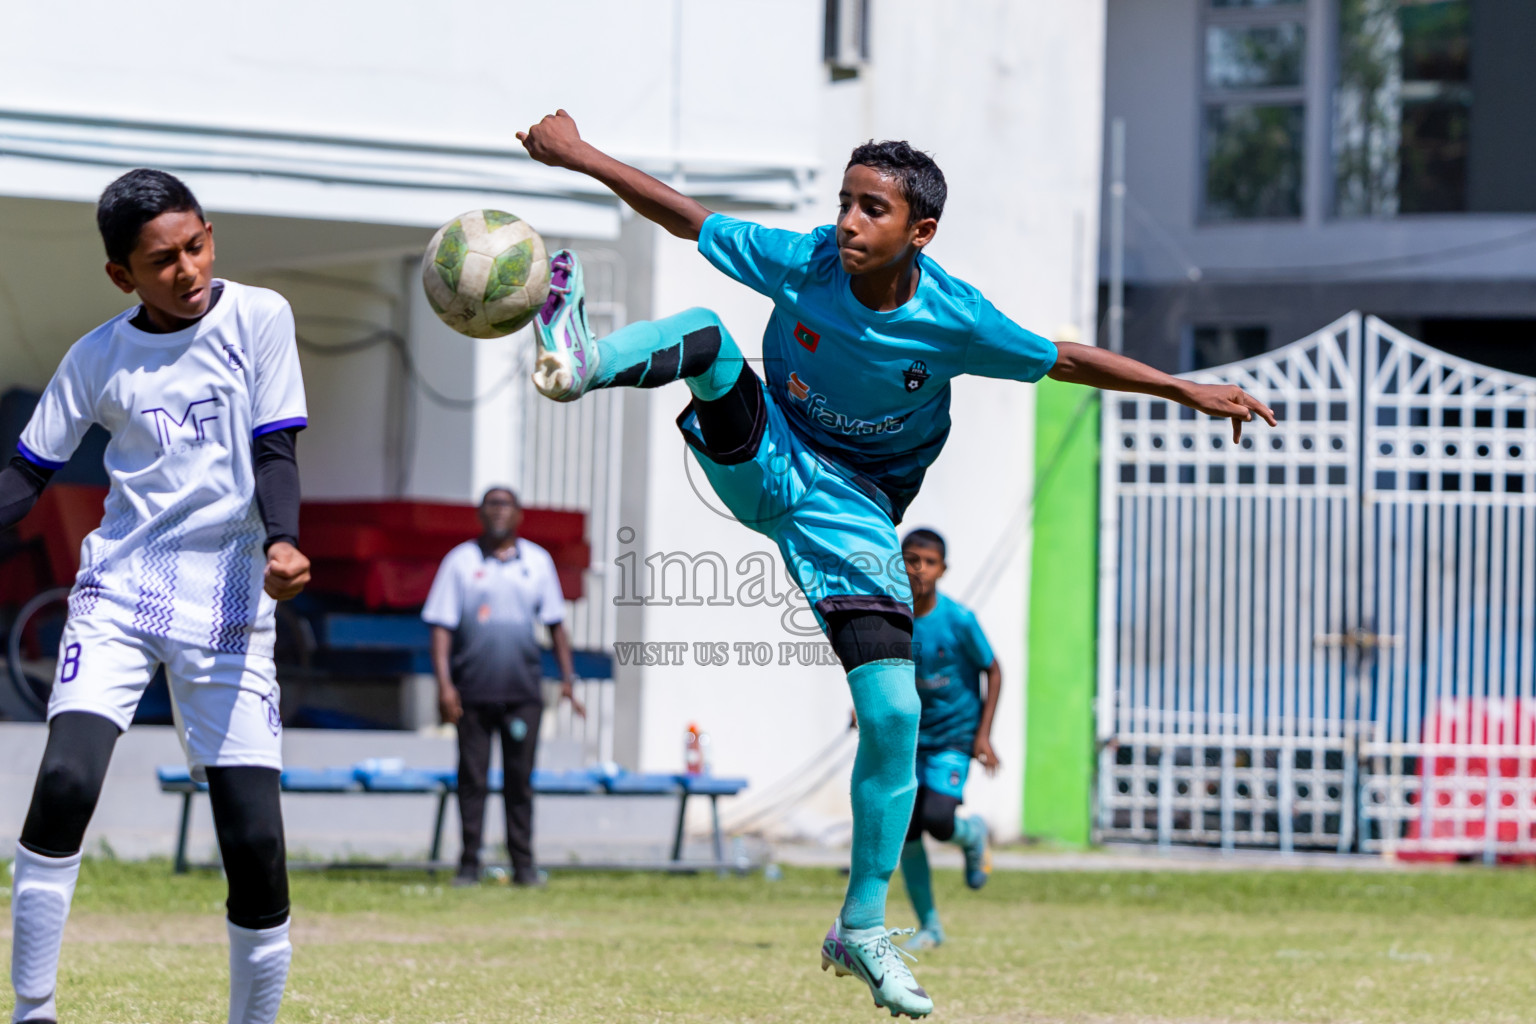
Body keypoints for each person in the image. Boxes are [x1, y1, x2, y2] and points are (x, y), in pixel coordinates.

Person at [516, 109, 1275, 1019]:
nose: (846, 221)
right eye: (844, 201)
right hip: (765, 457)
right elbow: (686, 215)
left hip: (857, 520)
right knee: (710, 336)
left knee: (893, 710)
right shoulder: (804, 263)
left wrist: (1180, 386)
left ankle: (861, 926)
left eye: (870, 208)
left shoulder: (951, 318)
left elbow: (1063, 357)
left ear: (920, 231)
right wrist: (579, 155)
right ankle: (580, 356)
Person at [1, 169, 310, 1024]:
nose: (188, 270)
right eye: (161, 260)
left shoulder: (259, 317)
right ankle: (32, 1011)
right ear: (120, 275)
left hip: (234, 602)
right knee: (65, 779)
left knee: (254, 842)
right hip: (122, 592)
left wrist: (284, 540)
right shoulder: (97, 357)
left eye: (196, 245)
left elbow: (277, 448)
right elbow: (28, 476)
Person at [421, 486, 583, 887]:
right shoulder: (460, 562)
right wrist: (445, 686)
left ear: (519, 515)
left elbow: (556, 625)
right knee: (472, 780)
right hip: (472, 691)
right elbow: (441, 627)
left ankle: (524, 866)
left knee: (519, 782)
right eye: (491, 504)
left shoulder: (538, 562)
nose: (498, 511)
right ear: (479, 513)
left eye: (505, 505)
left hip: (523, 693)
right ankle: (468, 865)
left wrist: (567, 680)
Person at [895, 528, 999, 952]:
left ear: (943, 570)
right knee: (906, 829)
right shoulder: (891, 617)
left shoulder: (959, 620)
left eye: (928, 562)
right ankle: (930, 926)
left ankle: (971, 835)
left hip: (954, 736)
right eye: (910, 559)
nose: (918, 569)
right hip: (909, 737)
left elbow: (993, 669)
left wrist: (984, 735)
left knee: (938, 821)